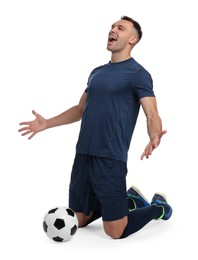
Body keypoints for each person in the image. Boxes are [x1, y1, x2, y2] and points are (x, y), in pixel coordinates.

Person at [18, 16, 172, 239]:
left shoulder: (138, 73)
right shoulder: (97, 72)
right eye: (112, 26)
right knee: (78, 220)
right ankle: (127, 201)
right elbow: (80, 109)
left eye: (120, 27)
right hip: (83, 154)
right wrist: (47, 123)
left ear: (132, 39)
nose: (113, 29)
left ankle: (159, 207)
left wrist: (154, 134)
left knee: (115, 231)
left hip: (109, 157)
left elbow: (151, 112)